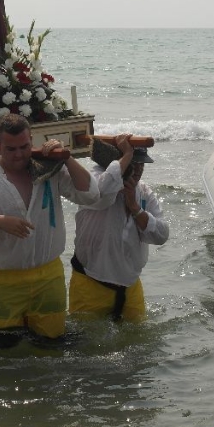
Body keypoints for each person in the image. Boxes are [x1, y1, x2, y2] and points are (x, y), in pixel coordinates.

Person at [0, 114, 99, 340]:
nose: (19, 154)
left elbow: (90, 195)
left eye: (24, 146)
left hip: (48, 276)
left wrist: (67, 158)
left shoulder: (48, 169)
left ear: (32, 140)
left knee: (52, 345)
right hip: (2, 281)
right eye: (11, 149)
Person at [70, 135, 170, 323]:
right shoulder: (95, 179)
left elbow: (162, 235)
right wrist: (126, 155)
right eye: (134, 162)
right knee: (86, 347)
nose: (139, 169)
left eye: (142, 164)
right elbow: (102, 192)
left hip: (131, 285)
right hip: (91, 282)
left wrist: (135, 207)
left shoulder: (144, 191)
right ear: (121, 161)